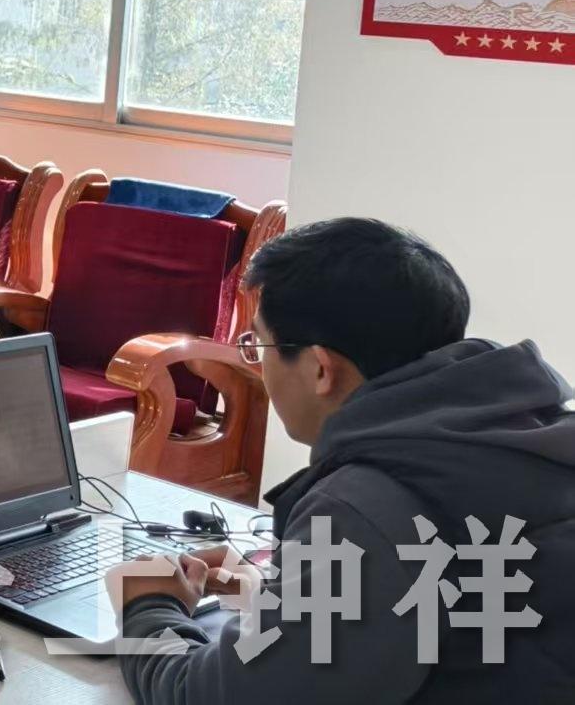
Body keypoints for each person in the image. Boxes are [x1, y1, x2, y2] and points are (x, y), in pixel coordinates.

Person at [112, 218, 574, 702]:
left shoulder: (367, 504)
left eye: (257, 345)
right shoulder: (526, 434)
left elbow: (210, 697)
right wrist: (290, 591)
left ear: (320, 368)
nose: (258, 365)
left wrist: (148, 603)